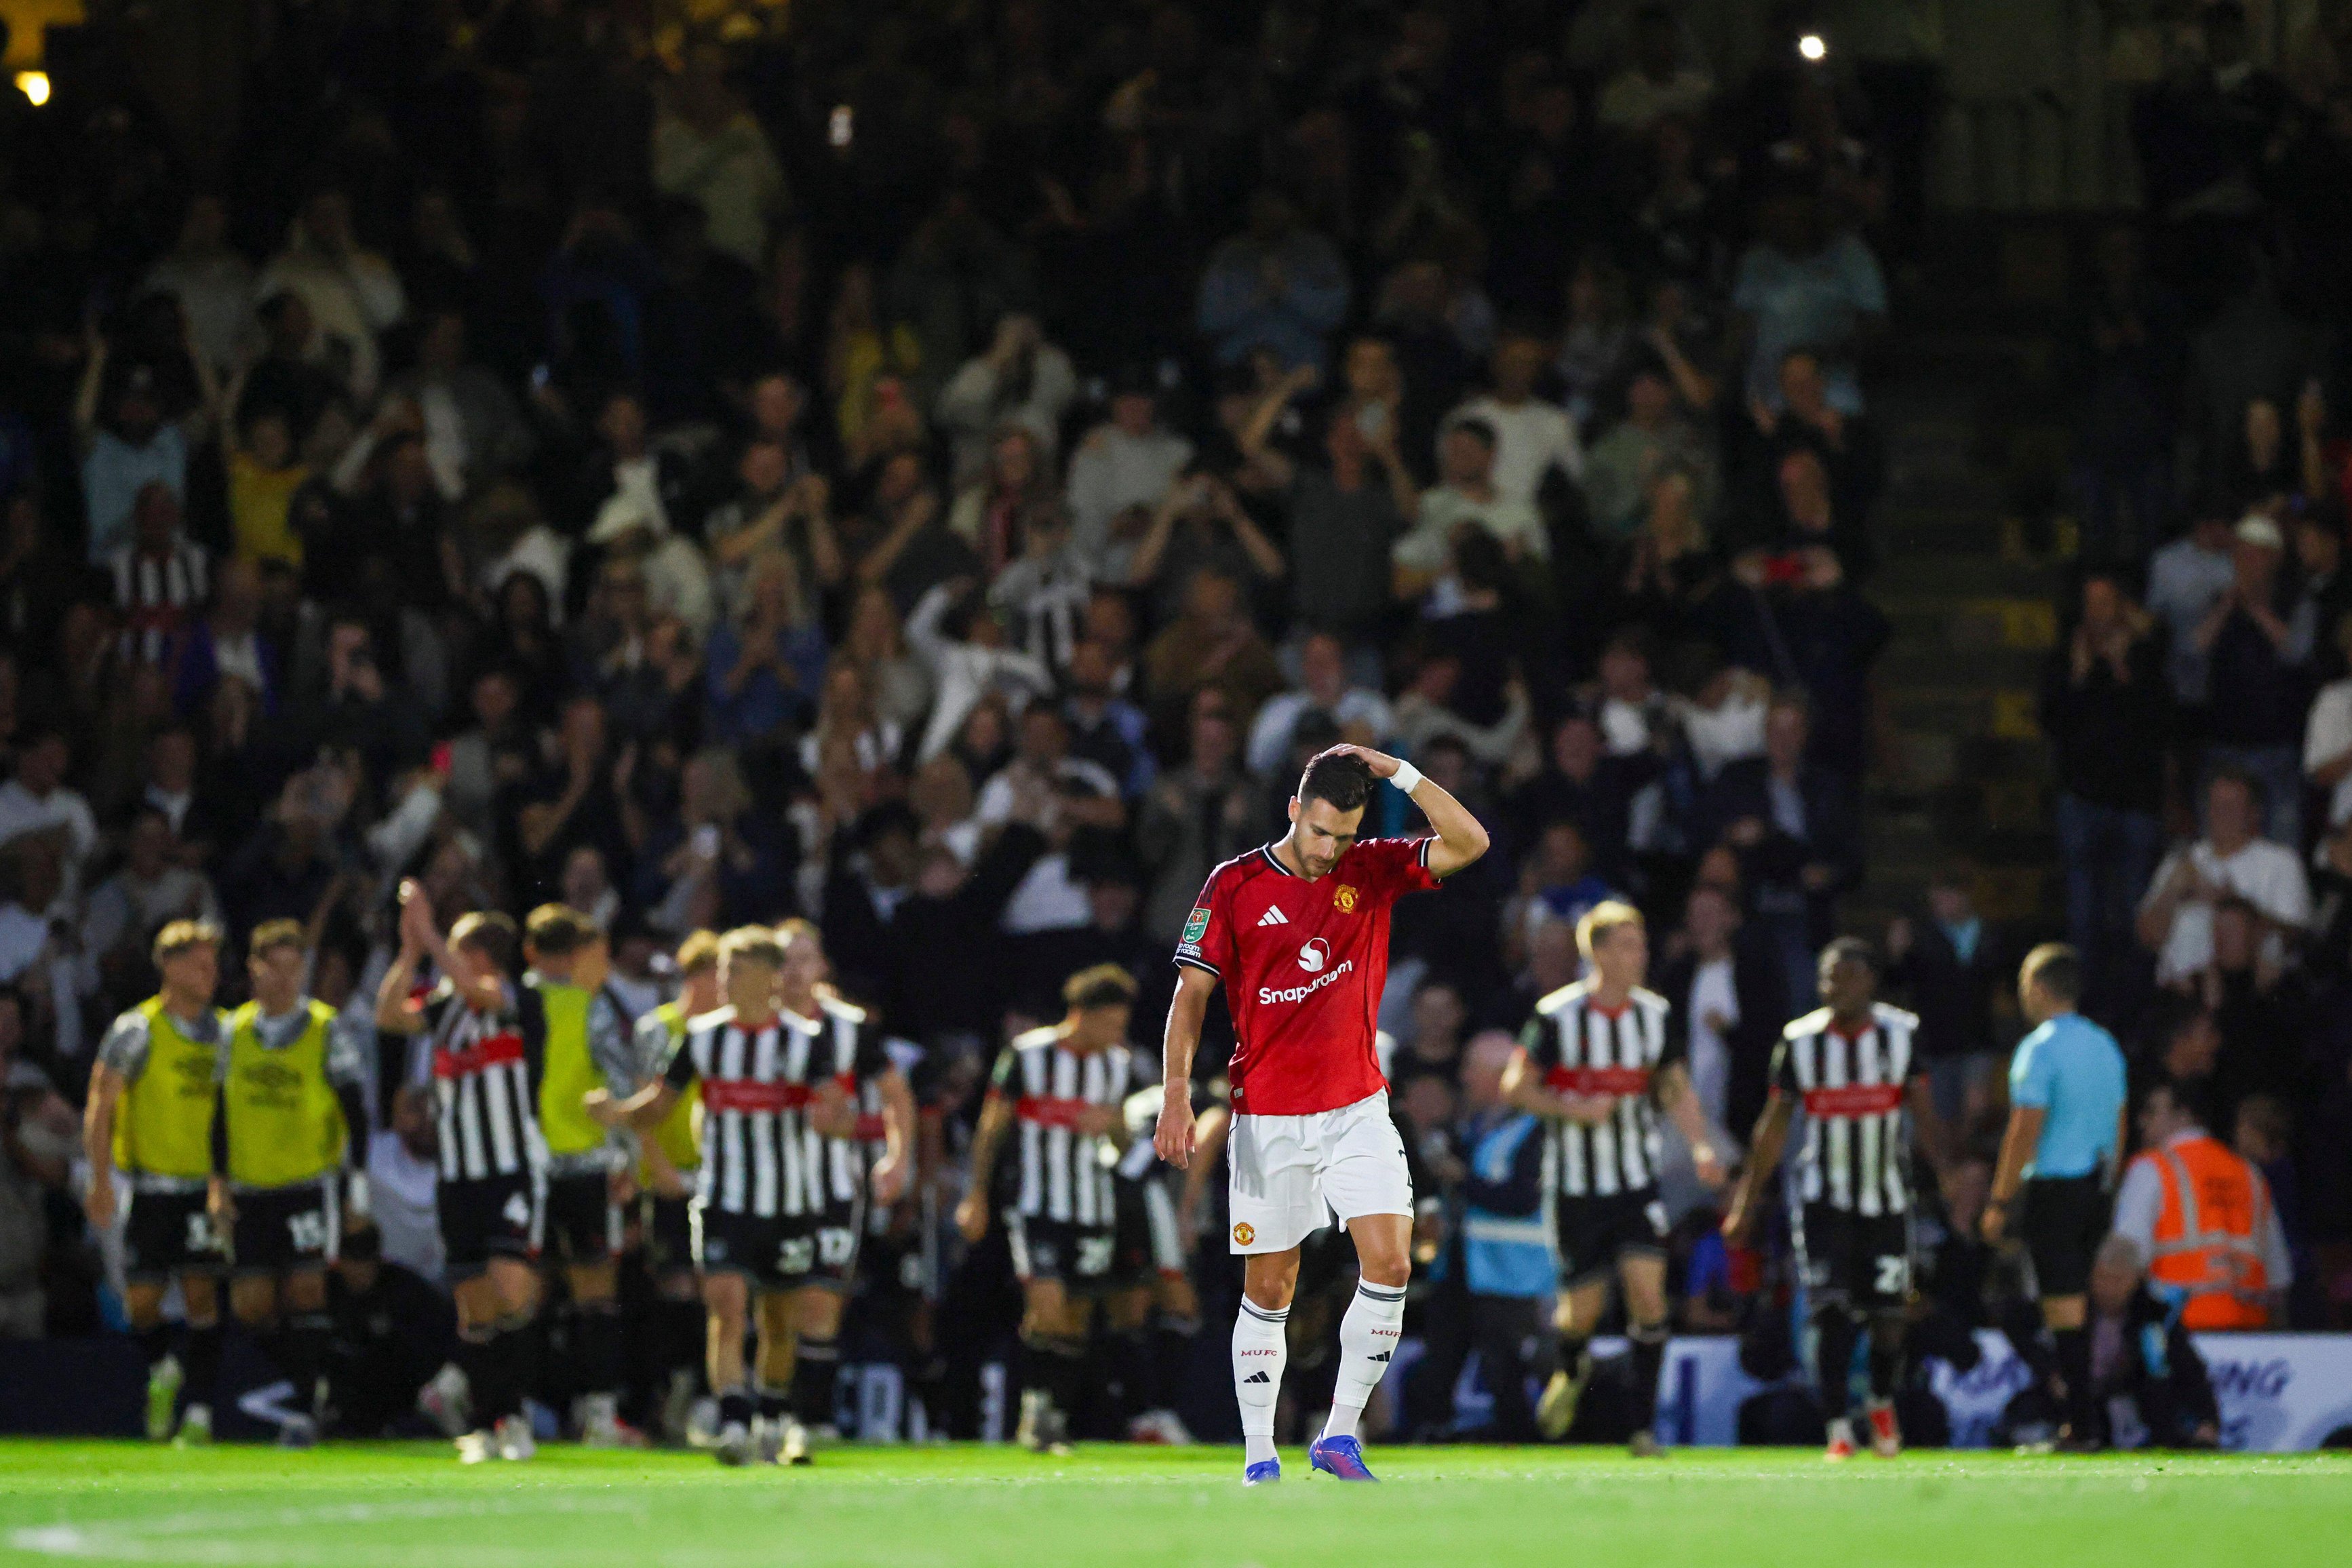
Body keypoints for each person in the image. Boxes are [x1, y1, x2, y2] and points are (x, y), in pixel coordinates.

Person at [1153, 745, 1489, 1485]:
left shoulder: (1369, 869)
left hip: (1357, 1109)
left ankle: (1339, 1435)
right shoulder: (1234, 883)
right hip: (1267, 1117)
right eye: (1318, 831)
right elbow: (1191, 994)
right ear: (1293, 810)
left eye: (1343, 835)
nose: (1327, 849)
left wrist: (1401, 772)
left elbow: (1471, 841)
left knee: (1392, 1262)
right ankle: (1259, 1455)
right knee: (1271, 1287)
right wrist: (1176, 1091)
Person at [588, 928, 867, 1467]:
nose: (723, 980)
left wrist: (835, 1121)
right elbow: (659, 1104)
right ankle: (735, 1420)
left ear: (767, 977)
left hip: (790, 1202)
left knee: (779, 1320)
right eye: (722, 970)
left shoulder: (805, 1040)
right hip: (723, 1196)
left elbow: (840, 1113)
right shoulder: (703, 1038)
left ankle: (772, 1417)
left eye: (733, 970)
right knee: (726, 1304)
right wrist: (615, 1114)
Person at [1501, 901, 1722, 1455]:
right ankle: (1571, 1367)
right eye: (1626, 945)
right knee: (1582, 1313)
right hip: (1576, 1187)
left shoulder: (1654, 1014)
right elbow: (1515, 1086)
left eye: (1641, 944)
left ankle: (1642, 1428)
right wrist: (1572, 1108)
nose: (1639, 955)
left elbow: (1673, 1085)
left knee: (1649, 1297)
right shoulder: (1557, 1015)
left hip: (1637, 1181)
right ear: (1596, 952)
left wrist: (1700, 1145)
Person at [1723, 939, 1944, 1461]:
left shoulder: (1901, 1034)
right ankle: (1838, 1426)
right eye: (1827, 978)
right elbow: (1772, 1128)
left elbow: (1926, 1117)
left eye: (1846, 976)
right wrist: (1745, 1203)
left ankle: (1882, 1401)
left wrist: (1949, 1176)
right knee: (1831, 1311)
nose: (1835, 988)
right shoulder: (1799, 1041)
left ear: (1870, 981)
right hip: (1823, 1200)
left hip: (1887, 1201)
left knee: (1889, 1316)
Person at [374, 889, 547, 1464]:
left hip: (509, 1169)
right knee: (474, 1306)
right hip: (458, 1175)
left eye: (455, 948)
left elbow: (481, 993)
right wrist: (408, 952)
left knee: (510, 1291)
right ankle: (484, 1423)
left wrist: (427, 936)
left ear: (480, 955)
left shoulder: (516, 998)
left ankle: (514, 1417)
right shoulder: (446, 1007)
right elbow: (387, 1014)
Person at [955, 964, 1143, 1454]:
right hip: (1035, 1203)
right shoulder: (1026, 1054)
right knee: (1047, 1302)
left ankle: (1051, 1414)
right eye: (1111, 1024)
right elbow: (991, 1128)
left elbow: (1124, 1143)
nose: (1117, 1034)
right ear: (1082, 1015)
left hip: (1093, 1207)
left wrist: (1112, 1126)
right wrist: (976, 1195)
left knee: (1076, 1316)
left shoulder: (1118, 1065)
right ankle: (1036, 1410)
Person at [210, 918, 370, 1448]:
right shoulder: (232, 1032)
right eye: (272, 967)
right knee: (252, 1305)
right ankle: (321, 1378)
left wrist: (357, 1184)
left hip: (307, 1183)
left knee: (306, 1290)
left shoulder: (327, 1028)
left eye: (293, 968)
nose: (283, 979)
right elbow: (219, 1114)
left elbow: (355, 1109)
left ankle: (306, 1407)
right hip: (250, 1186)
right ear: (253, 969)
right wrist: (218, 1182)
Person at [82, 920, 229, 1445]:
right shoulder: (137, 1030)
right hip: (150, 1188)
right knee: (140, 1305)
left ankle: (200, 1413)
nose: (211, 974)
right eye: (200, 964)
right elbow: (101, 1107)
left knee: (202, 1296)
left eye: (214, 964)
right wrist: (100, 1179)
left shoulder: (225, 1033)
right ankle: (165, 1368)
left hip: (203, 1190)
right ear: (170, 965)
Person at [1985, 944, 2130, 1450]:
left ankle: (2081, 1426)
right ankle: (2083, 1421)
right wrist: (2109, 1185)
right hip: (2097, 1185)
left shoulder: (2039, 1049)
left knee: (2059, 1309)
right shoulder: (2105, 1045)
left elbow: (2025, 1126)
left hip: (2055, 1189)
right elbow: (2119, 1121)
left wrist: (2000, 1200)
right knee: (2077, 1307)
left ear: (2040, 988)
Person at [775, 920, 913, 1445]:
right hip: (761, 1188)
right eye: (783, 960)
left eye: (803, 959)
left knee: (822, 1301)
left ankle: (809, 1418)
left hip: (833, 1185)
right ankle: (761, 1412)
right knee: (769, 1304)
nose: (793, 972)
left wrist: (897, 1159)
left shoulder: (850, 1027)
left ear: (821, 967)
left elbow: (896, 1095)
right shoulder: (746, 1027)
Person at [520, 905, 641, 1447]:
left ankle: (498, 1405)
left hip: (523, 1165)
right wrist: (627, 1158)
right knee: (595, 1294)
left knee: (522, 1291)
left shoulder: (504, 1000)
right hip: (584, 1162)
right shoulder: (588, 1006)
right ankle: (599, 1414)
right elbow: (617, 1085)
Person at [631, 930, 722, 1443]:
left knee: (715, 1286)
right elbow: (643, 1103)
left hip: (714, 1176)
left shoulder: (726, 1032)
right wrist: (656, 1165)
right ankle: (674, 1390)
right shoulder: (658, 1029)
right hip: (668, 1178)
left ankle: (704, 1397)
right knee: (674, 1287)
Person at [2109, 1078, 2289, 1332]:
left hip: (2177, 1331)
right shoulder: (2249, 1175)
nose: (2142, 1122)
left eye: (2151, 1111)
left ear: (2184, 1115)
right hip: (2249, 1334)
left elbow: (2123, 1260)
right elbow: (2279, 1279)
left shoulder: (2152, 1169)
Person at [2082, 1234, 2221, 1450]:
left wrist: (2207, 1421)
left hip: (2140, 1409)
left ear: (2137, 1279)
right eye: (2101, 1278)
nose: (2108, 1288)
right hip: (2084, 1403)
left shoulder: (2156, 1315)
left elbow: (2188, 1369)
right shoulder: (2076, 1310)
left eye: (2118, 1280)